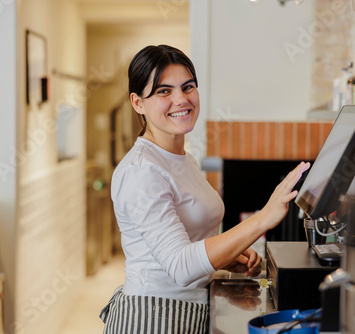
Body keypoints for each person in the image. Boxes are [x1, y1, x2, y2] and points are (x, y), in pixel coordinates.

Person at [99, 44, 310, 334]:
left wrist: (225, 256)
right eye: (163, 91)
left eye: (188, 87)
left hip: (185, 314)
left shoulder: (183, 159)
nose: (181, 99)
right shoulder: (140, 171)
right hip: (153, 318)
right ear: (137, 102)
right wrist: (262, 218)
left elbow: (187, 243)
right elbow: (181, 266)